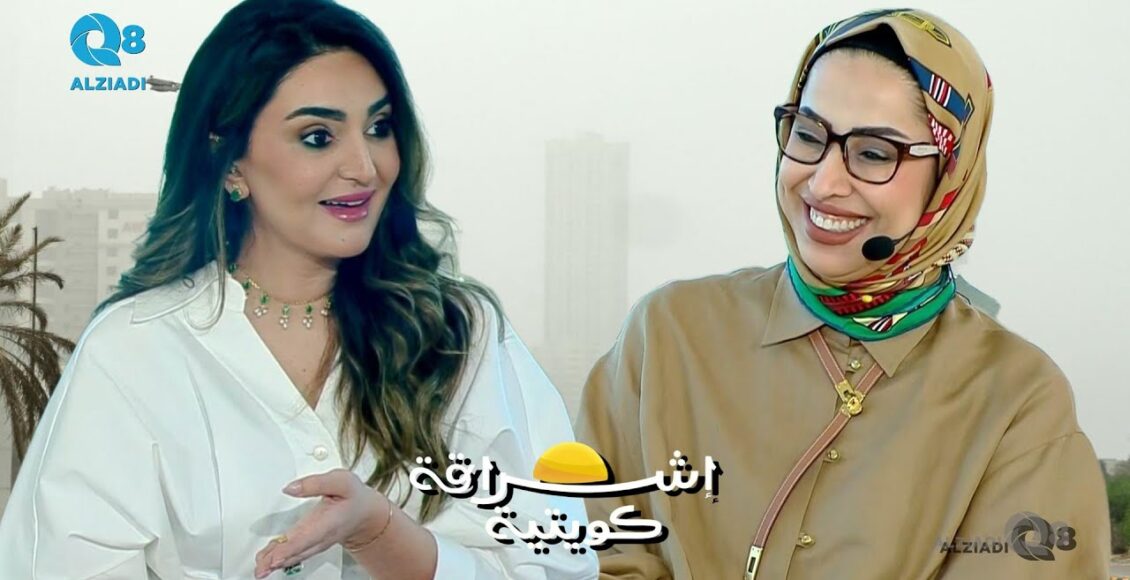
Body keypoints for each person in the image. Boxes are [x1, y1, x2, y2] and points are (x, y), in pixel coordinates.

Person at [0, 1, 597, 578]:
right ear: (231, 162)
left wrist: (379, 532)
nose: (364, 167)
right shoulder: (135, 349)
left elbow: (552, 565)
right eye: (318, 137)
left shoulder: (462, 336)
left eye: (380, 128)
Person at [574, 9, 1110, 579]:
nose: (824, 182)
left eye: (874, 153)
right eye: (807, 136)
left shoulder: (1016, 401)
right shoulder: (671, 336)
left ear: (948, 177)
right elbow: (585, 552)